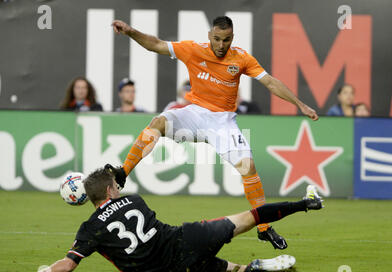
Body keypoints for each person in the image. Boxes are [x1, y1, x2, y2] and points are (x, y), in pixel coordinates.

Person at [110, 16, 319, 251]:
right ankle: (123, 172)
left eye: (226, 40)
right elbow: (155, 44)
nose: (221, 45)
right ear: (210, 35)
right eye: (217, 39)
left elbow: (269, 82)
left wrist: (301, 105)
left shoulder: (241, 58)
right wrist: (129, 31)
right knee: (158, 122)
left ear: (232, 38)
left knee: (247, 167)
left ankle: (263, 228)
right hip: (195, 114)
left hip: (223, 122)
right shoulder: (193, 50)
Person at [17, 166, 324, 272]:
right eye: (115, 185)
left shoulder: (90, 229)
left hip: (170, 271)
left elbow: (69, 264)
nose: (119, 188)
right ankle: (306, 203)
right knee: (251, 217)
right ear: (110, 190)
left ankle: (254, 269)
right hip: (186, 239)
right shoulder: (134, 199)